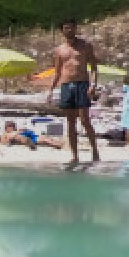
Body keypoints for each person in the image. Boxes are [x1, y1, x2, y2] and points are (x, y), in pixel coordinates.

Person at [46, 18, 100, 163]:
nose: (69, 30)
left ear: (76, 29)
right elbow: (57, 72)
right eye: (66, 28)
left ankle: (95, 150)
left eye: (71, 28)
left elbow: (94, 67)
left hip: (82, 84)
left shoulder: (85, 45)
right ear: (62, 31)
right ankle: (75, 155)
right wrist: (51, 90)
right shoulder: (59, 50)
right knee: (70, 122)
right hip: (66, 85)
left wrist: (93, 85)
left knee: (84, 120)